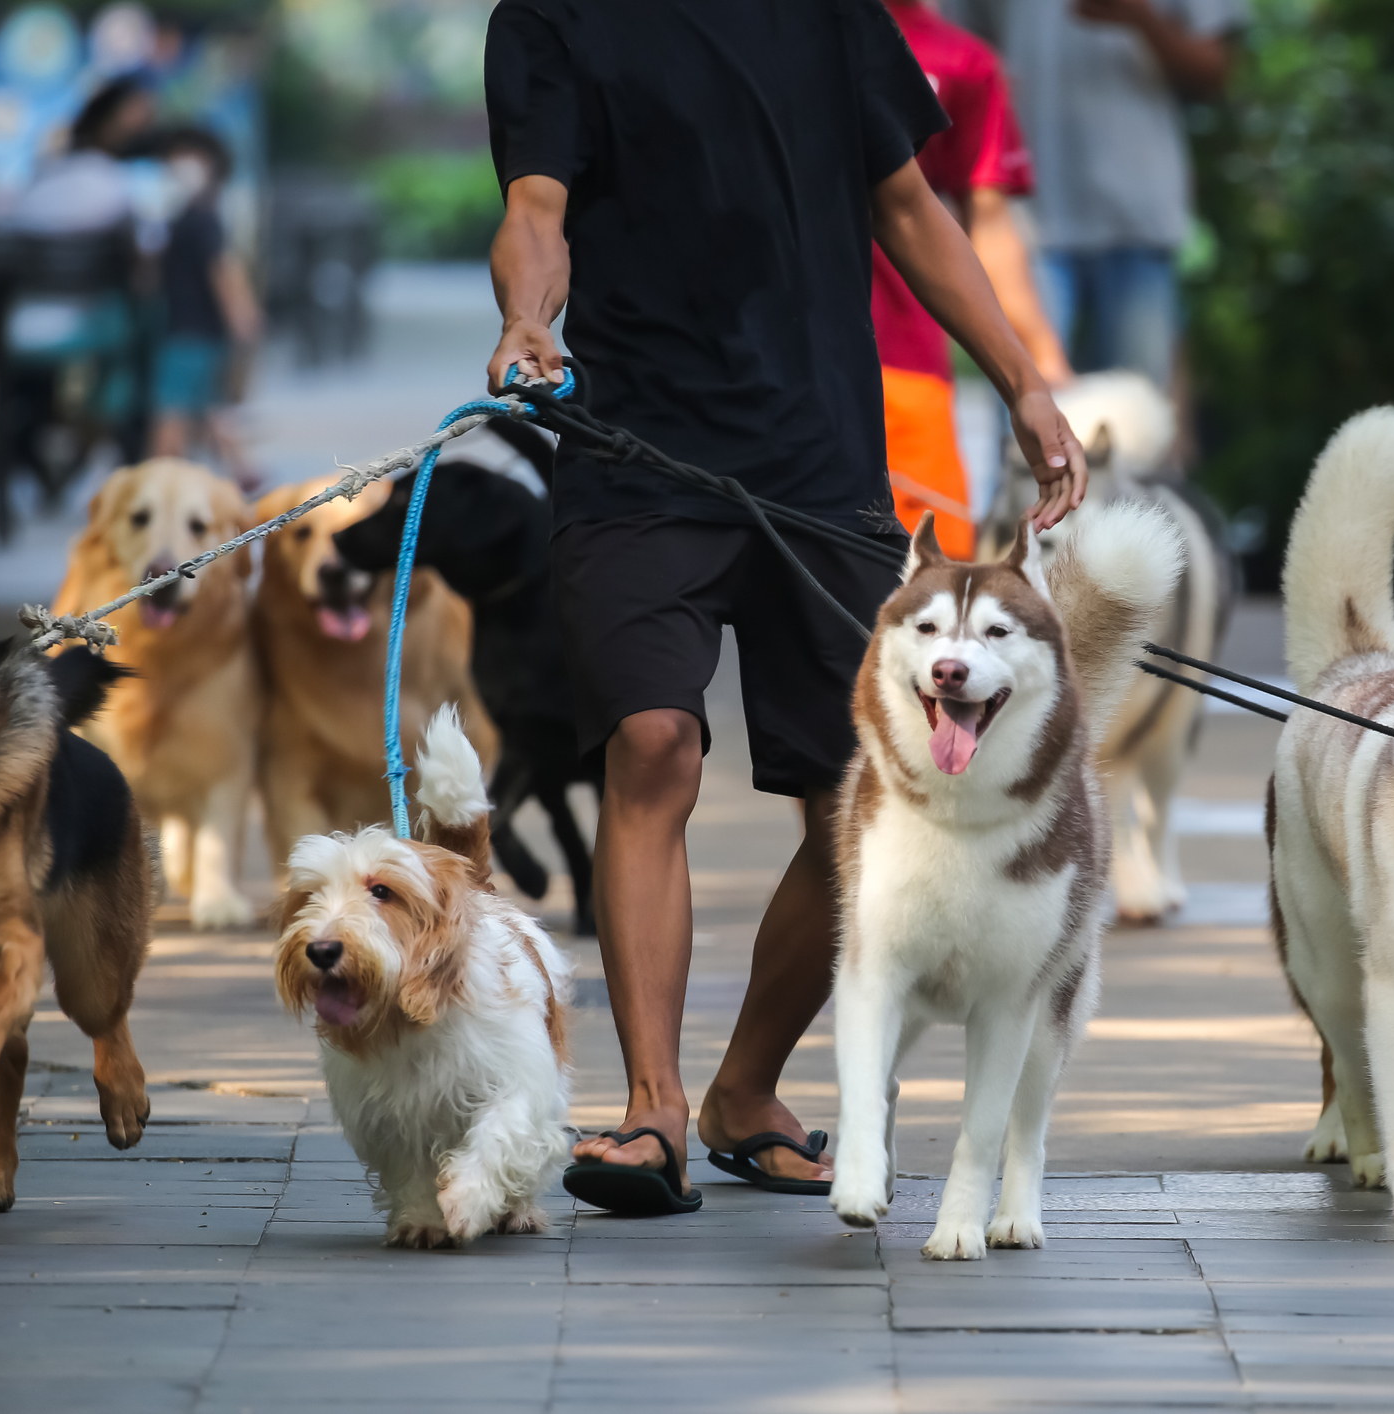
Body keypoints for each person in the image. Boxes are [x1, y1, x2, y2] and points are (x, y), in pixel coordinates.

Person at [483, 0, 1089, 1212]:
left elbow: (911, 204)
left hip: (819, 462)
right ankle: (650, 1107)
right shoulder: (551, 16)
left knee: (856, 809)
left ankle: (743, 1091)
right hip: (636, 451)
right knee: (652, 741)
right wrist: (527, 320)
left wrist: (1023, 379)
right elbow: (534, 211)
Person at [875, 0, 1072, 558]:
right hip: (780, 361)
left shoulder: (963, 63)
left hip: (906, 366)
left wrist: (1040, 365)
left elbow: (988, 223)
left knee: (925, 575)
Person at [1001, 0, 1244, 390]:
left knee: (1138, 421)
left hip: (1137, 216)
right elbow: (961, 47)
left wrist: (1141, 16)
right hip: (1023, 215)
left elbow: (1216, 70)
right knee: (1026, 412)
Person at [149, 125, 263, 491]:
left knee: (172, 413)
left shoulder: (199, 217)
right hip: (196, 330)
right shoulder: (184, 215)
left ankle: (163, 486)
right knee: (210, 408)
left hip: (189, 332)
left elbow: (223, 271)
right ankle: (242, 470)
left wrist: (242, 317)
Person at [9, 74, 156, 231]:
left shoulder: (46, 179)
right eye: (141, 119)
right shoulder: (112, 185)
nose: (147, 128)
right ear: (104, 121)